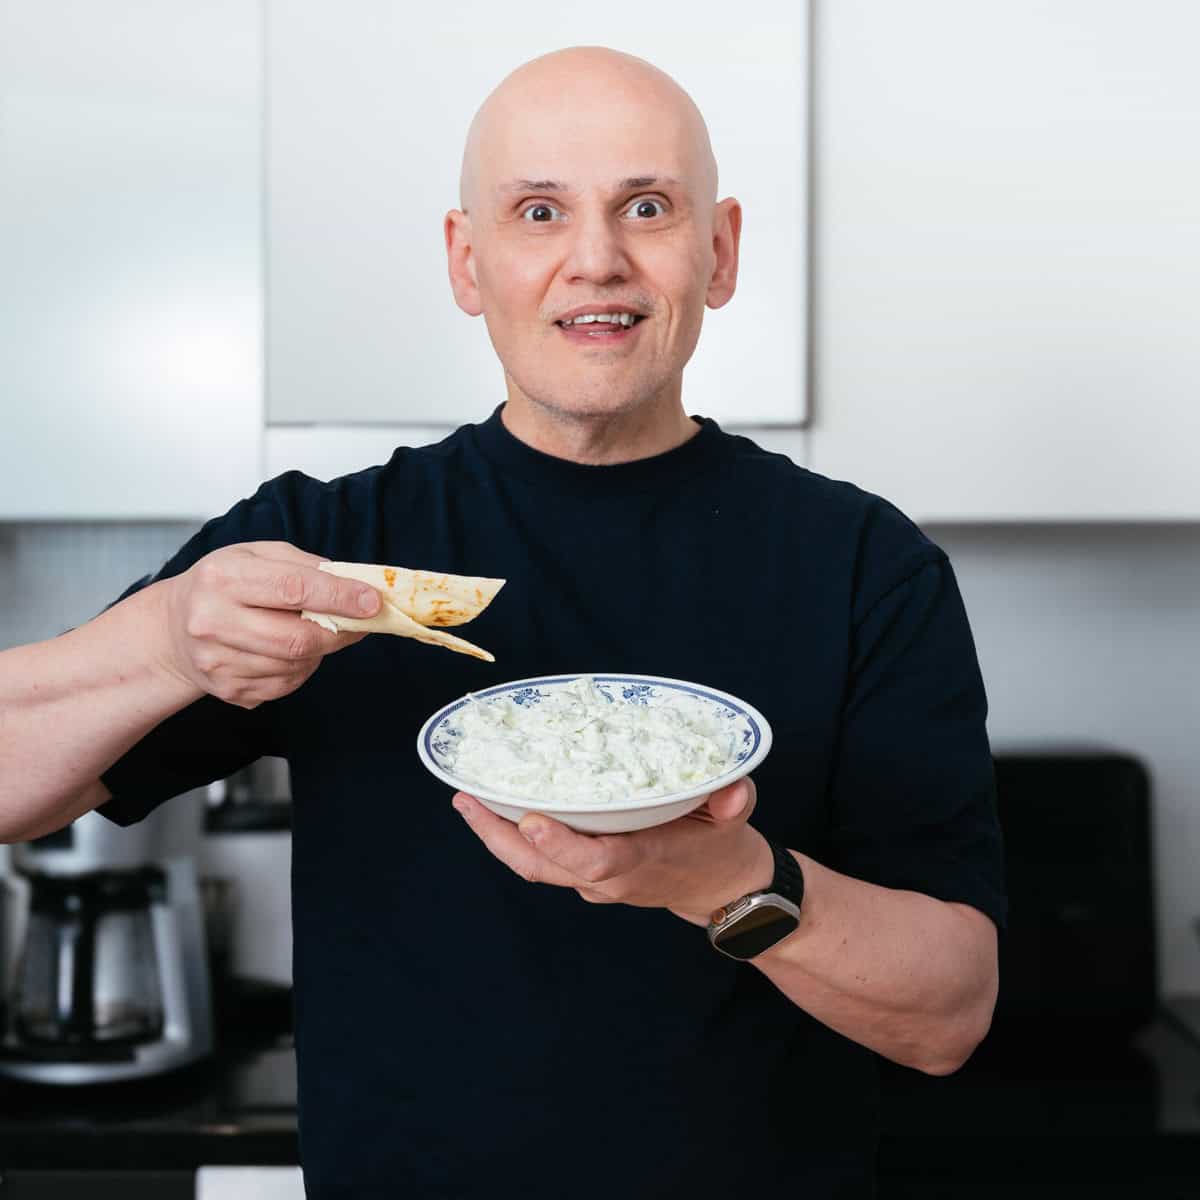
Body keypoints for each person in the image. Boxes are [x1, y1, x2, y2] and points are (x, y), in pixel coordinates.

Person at [0, 46, 1005, 1199]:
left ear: (718, 251)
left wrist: (724, 877)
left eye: (646, 206)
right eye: (539, 211)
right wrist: (169, 638)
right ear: (466, 260)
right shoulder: (328, 548)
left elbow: (949, 1014)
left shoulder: (863, 565)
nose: (596, 260)